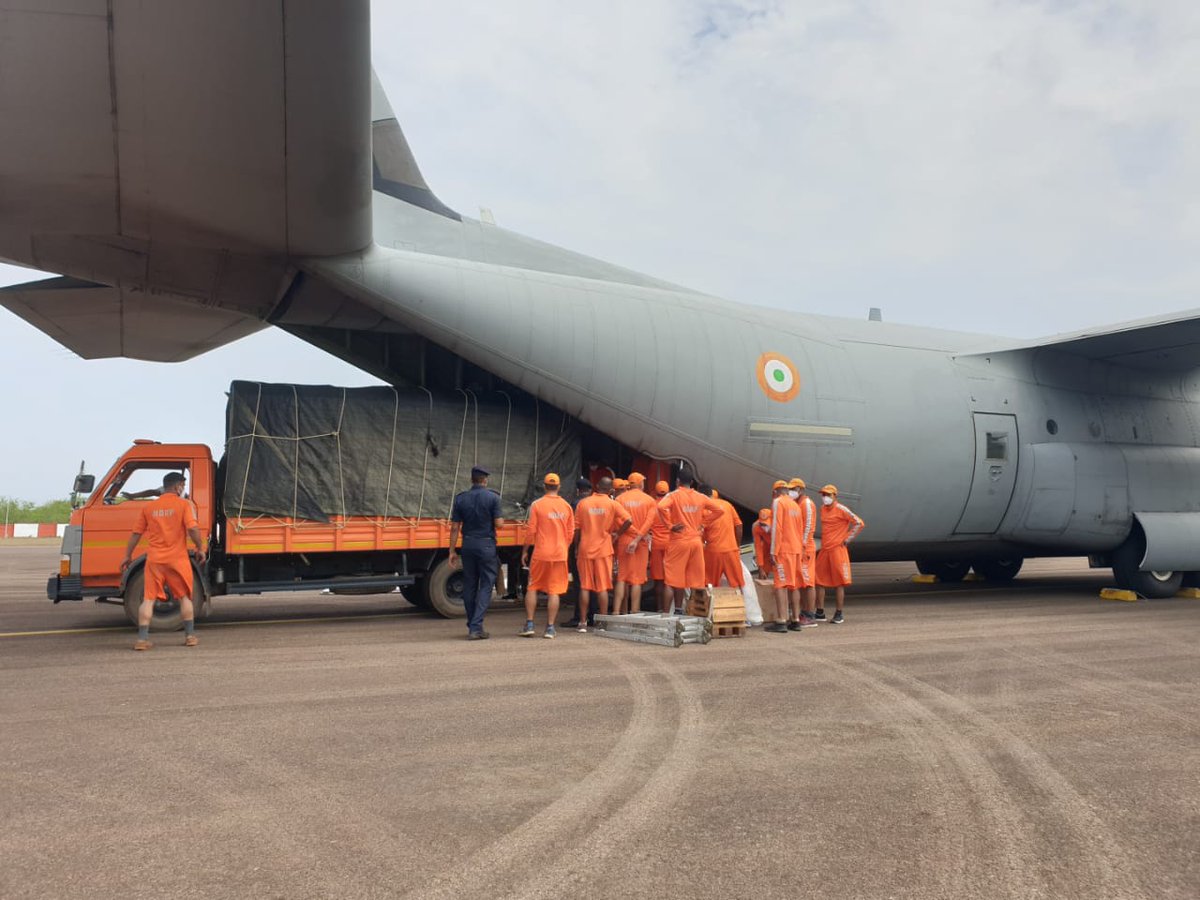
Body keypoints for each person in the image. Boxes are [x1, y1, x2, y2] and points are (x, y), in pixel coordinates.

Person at [118, 472, 206, 651]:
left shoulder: (149, 507)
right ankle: (189, 636)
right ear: (178, 486)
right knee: (184, 597)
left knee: (148, 599)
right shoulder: (183, 505)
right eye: (183, 485)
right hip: (177, 559)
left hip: (155, 560)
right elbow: (193, 529)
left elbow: (136, 534)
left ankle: (142, 640)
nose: (183, 489)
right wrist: (200, 548)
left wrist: (127, 555)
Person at [656, 470, 723, 616]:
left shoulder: (674, 495)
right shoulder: (700, 497)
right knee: (696, 581)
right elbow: (719, 510)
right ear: (692, 482)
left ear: (677, 481)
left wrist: (670, 526)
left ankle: (666, 614)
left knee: (671, 580)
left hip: (679, 541)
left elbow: (661, 507)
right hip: (696, 541)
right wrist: (703, 524)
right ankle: (696, 614)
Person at [449, 465, 503, 640]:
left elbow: (455, 528)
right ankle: (475, 626)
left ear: (472, 480)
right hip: (486, 546)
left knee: (470, 585)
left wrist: (452, 551)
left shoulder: (461, 499)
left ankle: (473, 624)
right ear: (485, 480)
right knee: (486, 585)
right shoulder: (493, 498)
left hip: (468, 545)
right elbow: (499, 524)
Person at [519, 473, 575, 638]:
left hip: (541, 553)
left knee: (532, 587)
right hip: (559, 554)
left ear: (544, 486)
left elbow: (531, 531)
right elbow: (571, 533)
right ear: (558, 486)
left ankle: (529, 624)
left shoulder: (537, 505)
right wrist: (563, 547)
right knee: (554, 591)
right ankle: (550, 628)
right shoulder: (566, 507)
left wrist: (524, 551)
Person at [574, 476, 632, 630]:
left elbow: (577, 529)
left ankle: (582, 623)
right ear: (611, 490)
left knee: (585, 587)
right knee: (602, 588)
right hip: (604, 550)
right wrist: (617, 534)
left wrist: (576, 548)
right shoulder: (613, 504)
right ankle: (602, 623)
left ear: (596, 486)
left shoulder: (583, 504)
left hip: (585, 549)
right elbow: (629, 520)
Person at [815, 484, 865, 624]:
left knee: (839, 583)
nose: (825, 497)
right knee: (818, 581)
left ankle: (839, 613)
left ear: (835, 496)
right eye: (823, 495)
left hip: (837, 550)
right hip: (825, 549)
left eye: (828, 495)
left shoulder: (841, 509)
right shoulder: (822, 509)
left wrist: (846, 539)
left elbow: (859, 523)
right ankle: (820, 611)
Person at [613, 472, 656, 615]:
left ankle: (616, 611)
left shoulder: (619, 499)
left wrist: (632, 533)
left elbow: (619, 521)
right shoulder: (649, 500)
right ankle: (634, 611)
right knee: (637, 580)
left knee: (622, 577)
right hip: (641, 542)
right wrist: (638, 536)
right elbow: (649, 522)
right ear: (640, 483)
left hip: (624, 539)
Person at [766, 479, 800, 633]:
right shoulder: (795, 504)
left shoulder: (778, 502)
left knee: (780, 585)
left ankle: (781, 620)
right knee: (792, 585)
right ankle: (795, 619)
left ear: (775, 492)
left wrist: (773, 551)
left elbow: (777, 528)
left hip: (783, 550)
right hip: (794, 549)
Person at [700, 484, 744, 590]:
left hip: (713, 551)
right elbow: (739, 526)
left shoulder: (703, 508)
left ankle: (713, 606)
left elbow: (700, 531)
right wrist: (737, 545)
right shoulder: (727, 505)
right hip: (731, 550)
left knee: (710, 585)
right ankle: (738, 605)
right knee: (737, 585)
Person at [564, 477, 594, 629]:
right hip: (599, 548)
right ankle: (594, 616)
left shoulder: (575, 504)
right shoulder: (595, 502)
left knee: (580, 583)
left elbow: (575, 528)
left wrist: (574, 547)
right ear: (590, 490)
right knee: (595, 583)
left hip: (581, 548)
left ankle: (579, 617)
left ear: (578, 490)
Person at [791, 478, 820, 627]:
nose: (791, 492)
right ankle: (804, 612)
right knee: (803, 581)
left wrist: (802, 546)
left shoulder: (806, 504)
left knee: (808, 582)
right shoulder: (798, 504)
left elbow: (808, 526)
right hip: (800, 546)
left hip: (805, 548)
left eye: (794, 489)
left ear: (801, 490)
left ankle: (810, 614)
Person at [649, 480, 673, 613]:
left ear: (655, 492)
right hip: (670, 544)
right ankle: (668, 609)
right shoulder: (671, 505)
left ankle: (658, 608)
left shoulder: (652, 505)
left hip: (656, 544)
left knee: (658, 580)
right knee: (670, 579)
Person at [752, 509, 773, 580]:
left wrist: (774, 554)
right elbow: (758, 548)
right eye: (762, 524)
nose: (764, 527)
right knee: (763, 569)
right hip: (767, 544)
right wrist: (760, 568)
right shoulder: (756, 527)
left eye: (766, 524)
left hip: (781, 546)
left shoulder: (778, 524)